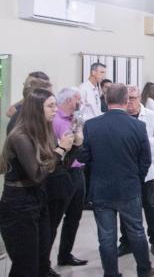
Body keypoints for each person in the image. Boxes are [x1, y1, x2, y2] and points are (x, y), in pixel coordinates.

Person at [78, 83, 154, 277]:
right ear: (126, 100)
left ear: (106, 100)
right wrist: (136, 179)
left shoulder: (92, 125)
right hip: (129, 188)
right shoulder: (138, 126)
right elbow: (146, 160)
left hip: (101, 189)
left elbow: (83, 157)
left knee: (106, 236)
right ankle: (144, 270)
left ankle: (111, 273)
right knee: (136, 231)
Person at [0, 88, 77, 277]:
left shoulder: (42, 132)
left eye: (55, 105)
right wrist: (60, 150)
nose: (55, 109)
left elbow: (55, 166)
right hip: (19, 203)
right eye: (50, 106)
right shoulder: (20, 136)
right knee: (26, 265)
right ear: (36, 109)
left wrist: (74, 145)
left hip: (37, 197)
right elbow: (37, 174)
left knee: (41, 259)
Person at [118, 85, 154, 257]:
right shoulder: (121, 116)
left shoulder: (151, 116)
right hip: (126, 172)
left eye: (132, 98)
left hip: (146, 172)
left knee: (150, 206)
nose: (129, 102)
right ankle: (126, 242)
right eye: (126, 99)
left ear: (139, 98)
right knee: (125, 208)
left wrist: (144, 141)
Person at [51, 88, 89, 270]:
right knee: (54, 219)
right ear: (68, 101)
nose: (80, 102)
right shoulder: (54, 120)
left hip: (78, 171)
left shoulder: (75, 119)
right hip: (62, 173)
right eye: (78, 99)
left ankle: (65, 255)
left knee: (74, 216)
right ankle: (43, 264)